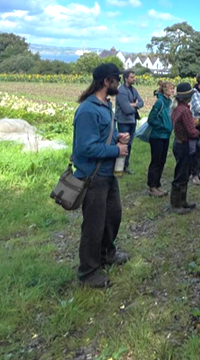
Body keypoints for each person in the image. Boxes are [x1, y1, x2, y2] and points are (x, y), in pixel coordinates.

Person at [72, 63, 130, 288]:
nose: (118, 83)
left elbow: (104, 135)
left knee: (112, 216)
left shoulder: (105, 105)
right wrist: (117, 150)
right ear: (107, 82)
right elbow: (85, 148)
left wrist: (117, 137)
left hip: (107, 175)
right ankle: (88, 272)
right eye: (116, 79)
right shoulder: (88, 110)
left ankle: (108, 254)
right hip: (93, 177)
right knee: (93, 226)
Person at [170, 83, 200, 214]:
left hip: (178, 143)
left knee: (182, 173)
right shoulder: (185, 111)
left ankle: (182, 202)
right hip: (185, 145)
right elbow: (191, 132)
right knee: (181, 175)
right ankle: (176, 205)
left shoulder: (177, 109)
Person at [146, 80, 174, 198]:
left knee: (162, 161)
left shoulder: (169, 102)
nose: (173, 91)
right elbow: (151, 119)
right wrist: (163, 126)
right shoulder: (159, 103)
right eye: (171, 89)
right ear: (165, 90)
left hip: (165, 136)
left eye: (173, 88)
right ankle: (152, 186)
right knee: (156, 161)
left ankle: (158, 185)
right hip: (157, 136)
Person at [116, 70, 144, 174]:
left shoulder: (133, 90)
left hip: (132, 121)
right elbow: (126, 109)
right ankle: (119, 168)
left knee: (129, 144)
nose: (134, 79)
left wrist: (133, 104)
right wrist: (134, 105)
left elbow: (141, 102)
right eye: (132, 77)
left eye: (134, 77)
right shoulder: (121, 91)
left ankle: (126, 166)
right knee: (122, 144)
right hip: (124, 121)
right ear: (126, 78)